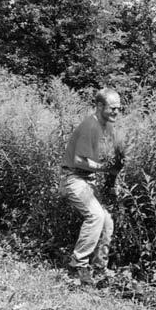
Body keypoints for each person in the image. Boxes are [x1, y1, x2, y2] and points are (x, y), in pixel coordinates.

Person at [60, 87, 124, 284]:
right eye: (112, 108)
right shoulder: (91, 126)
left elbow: (115, 158)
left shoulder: (107, 127)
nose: (116, 112)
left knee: (107, 221)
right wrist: (106, 169)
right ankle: (77, 267)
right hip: (74, 178)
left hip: (87, 180)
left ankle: (99, 268)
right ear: (99, 106)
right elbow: (80, 160)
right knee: (95, 216)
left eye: (118, 109)